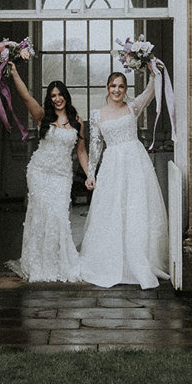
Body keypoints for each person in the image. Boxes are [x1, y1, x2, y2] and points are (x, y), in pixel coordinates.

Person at [79, 62, 170, 288]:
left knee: (136, 208)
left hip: (135, 162)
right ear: (107, 88)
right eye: (113, 86)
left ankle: (139, 259)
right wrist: (90, 174)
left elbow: (150, 93)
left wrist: (152, 72)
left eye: (121, 86)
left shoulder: (132, 107)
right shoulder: (97, 115)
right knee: (112, 210)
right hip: (112, 165)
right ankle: (111, 260)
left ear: (126, 89)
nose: (117, 90)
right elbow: (95, 148)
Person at [8, 67, 95, 282]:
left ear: (66, 96)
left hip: (61, 175)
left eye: (60, 94)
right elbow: (26, 95)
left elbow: (81, 151)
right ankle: (37, 263)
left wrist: (89, 174)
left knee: (57, 217)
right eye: (53, 95)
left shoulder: (77, 121)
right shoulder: (42, 117)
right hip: (39, 171)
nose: (57, 99)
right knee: (40, 216)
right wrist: (15, 73)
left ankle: (58, 261)